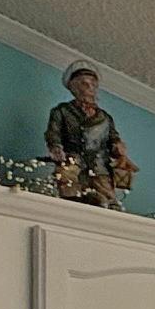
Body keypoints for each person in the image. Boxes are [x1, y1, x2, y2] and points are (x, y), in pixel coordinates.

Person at [45, 60, 137, 207]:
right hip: (72, 162)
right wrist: (56, 147)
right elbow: (53, 133)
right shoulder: (62, 111)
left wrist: (118, 146)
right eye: (84, 84)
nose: (90, 88)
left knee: (107, 203)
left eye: (93, 84)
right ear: (73, 87)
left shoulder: (105, 118)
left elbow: (113, 138)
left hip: (99, 167)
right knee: (69, 197)